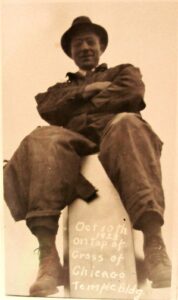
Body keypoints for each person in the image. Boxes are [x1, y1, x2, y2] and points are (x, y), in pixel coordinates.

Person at [4, 16, 171, 297]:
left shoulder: (123, 71)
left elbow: (131, 92)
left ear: (100, 47)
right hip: (73, 142)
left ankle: (154, 244)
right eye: (77, 43)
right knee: (41, 137)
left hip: (114, 130)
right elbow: (47, 108)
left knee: (129, 123)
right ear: (70, 52)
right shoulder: (58, 90)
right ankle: (47, 257)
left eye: (90, 41)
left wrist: (79, 105)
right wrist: (88, 90)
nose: (84, 47)